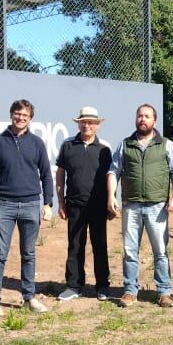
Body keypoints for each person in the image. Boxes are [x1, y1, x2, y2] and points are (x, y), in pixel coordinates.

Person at [107, 104, 173, 308]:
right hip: (131, 206)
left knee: (160, 251)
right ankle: (130, 291)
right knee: (130, 251)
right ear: (135, 119)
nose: (143, 119)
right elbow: (113, 172)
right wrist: (111, 196)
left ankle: (164, 292)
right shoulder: (125, 145)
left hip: (157, 206)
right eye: (140, 115)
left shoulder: (166, 145)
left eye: (147, 116)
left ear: (154, 121)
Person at [0, 99, 54, 317]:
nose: (20, 118)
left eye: (25, 115)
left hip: (32, 204)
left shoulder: (37, 143)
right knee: (0, 254)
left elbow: (46, 175)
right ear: (11, 114)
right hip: (4, 204)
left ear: (30, 118)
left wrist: (48, 203)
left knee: (29, 253)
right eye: (17, 113)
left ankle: (28, 297)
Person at [55, 106, 113, 301]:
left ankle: (103, 286)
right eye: (83, 122)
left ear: (97, 125)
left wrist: (111, 201)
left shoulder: (105, 148)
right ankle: (73, 286)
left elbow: (110, 177)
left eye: (91, 122)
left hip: (98, 206)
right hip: (74, 205)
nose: (86, 125)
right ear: (78, 123)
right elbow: (60, 173)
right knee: (75, 245)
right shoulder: (67, 145)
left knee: (100, 245)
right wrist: (61, 202)